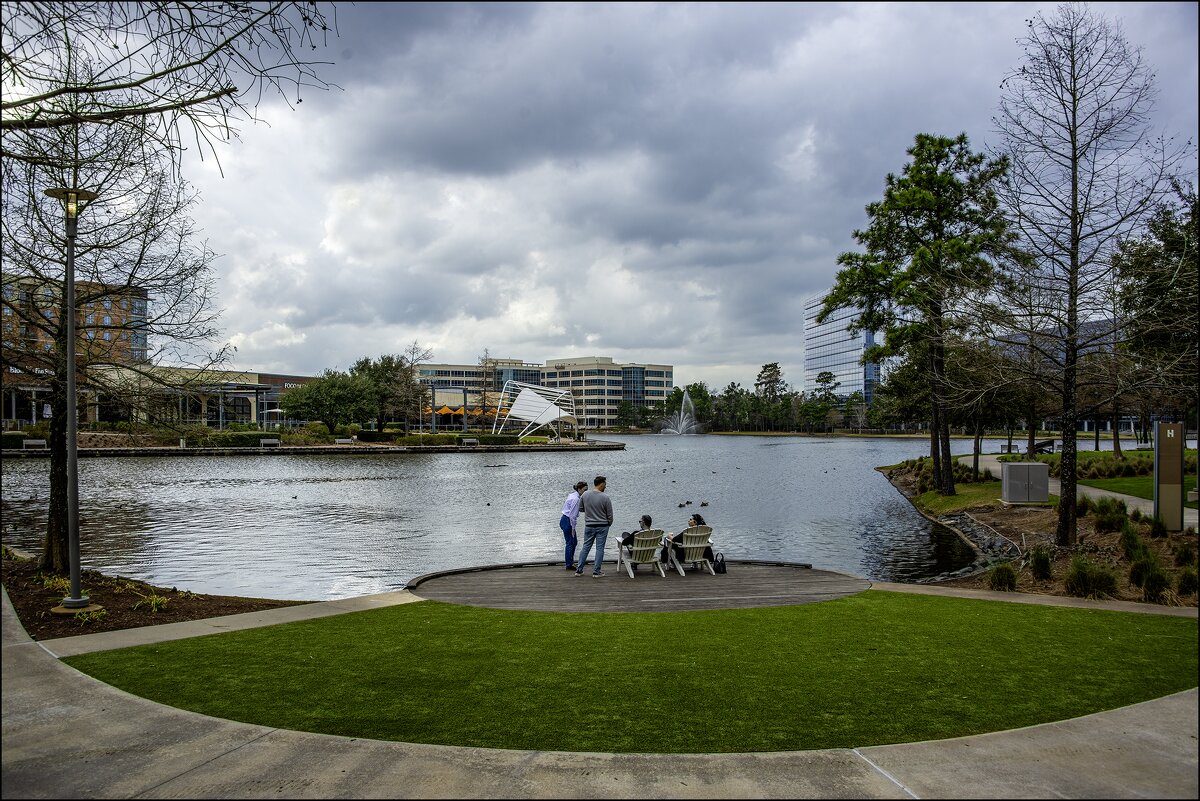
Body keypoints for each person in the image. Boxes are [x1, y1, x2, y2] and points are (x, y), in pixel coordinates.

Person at [574, 475, 613, 578]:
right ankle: (596, 572)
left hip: (589, 525)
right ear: (602, 484)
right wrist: (609, 523)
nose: (606, 486)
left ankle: (579, 570)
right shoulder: (605, 497)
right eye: (605, 484)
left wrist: (590, 512)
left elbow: (581, 509)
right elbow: (610, 515)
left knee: (586, 547)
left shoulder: (585, 495)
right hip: (603, 525)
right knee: (600, 548)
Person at [559, 481, 588, 570]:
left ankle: (570, 562)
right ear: (579, 489)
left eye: (586, 490)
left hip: (564, 519)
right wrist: (573, 527)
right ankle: (569, 564)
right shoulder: (576, 499)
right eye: (584, 490)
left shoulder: (573, 495)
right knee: (570, 543)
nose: (585, 492)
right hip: (568, 520)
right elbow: (572, 515)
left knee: (573, 542)